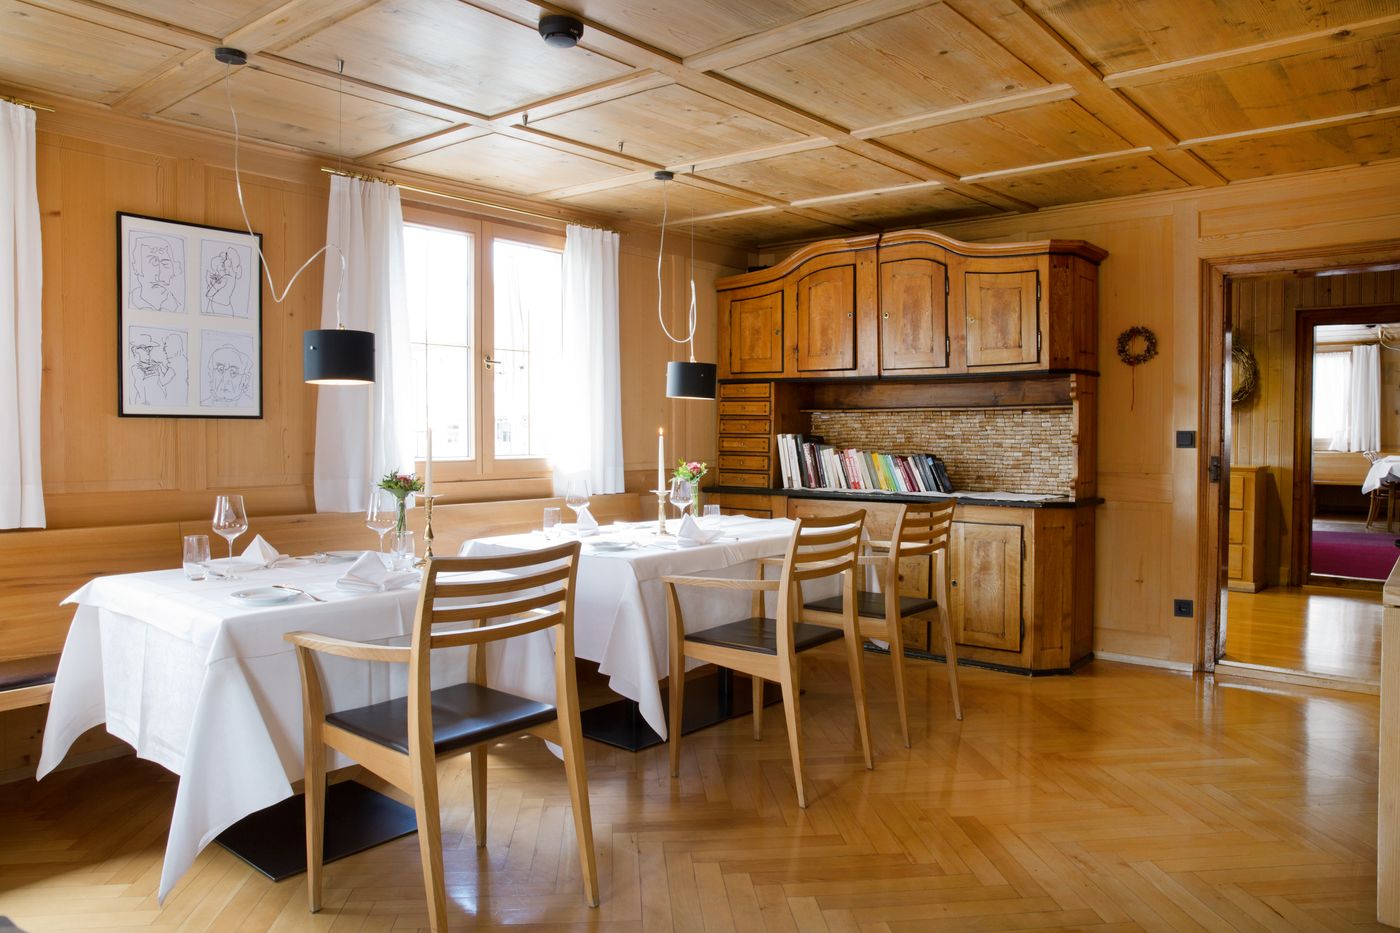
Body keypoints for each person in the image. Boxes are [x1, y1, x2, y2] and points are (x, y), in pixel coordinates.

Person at [129, 236, 183, 312]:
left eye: (165, 264)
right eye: (153, 263)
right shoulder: (129, 303)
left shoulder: (179, 308)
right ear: (136, 268)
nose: (159, 277)